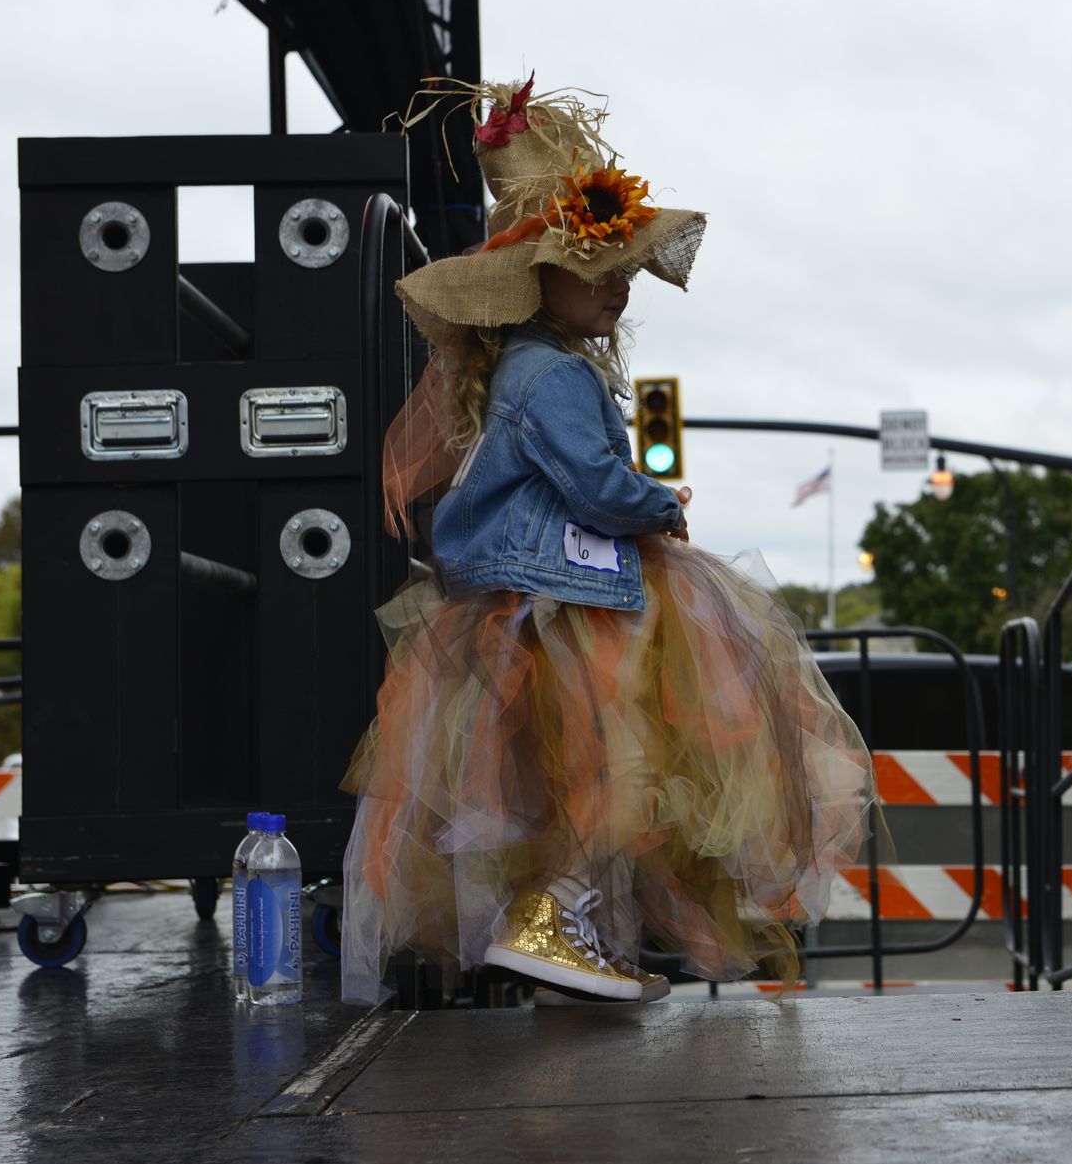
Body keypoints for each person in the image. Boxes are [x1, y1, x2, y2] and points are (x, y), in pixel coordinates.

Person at [339, 76, 879, 1006]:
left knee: (574, 783)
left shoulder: (532, 365)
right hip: (574, 604)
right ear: (533, 280)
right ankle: (553, 918)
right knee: (627, 770)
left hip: (539, 597)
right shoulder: (551, 374)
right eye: (596, 268)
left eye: (623, 268)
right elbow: (591, 482)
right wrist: (657, 500)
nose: (618, 285)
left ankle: (566, 937)